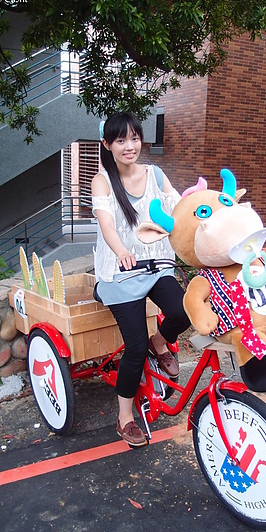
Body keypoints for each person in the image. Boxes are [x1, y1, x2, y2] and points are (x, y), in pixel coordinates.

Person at [91, 112, 190, 447]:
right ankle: (125, 417)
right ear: (107, 144)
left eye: (134, 138)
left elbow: (180, 208)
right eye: (120, 140)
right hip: (120, 274)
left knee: (184, 311)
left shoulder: (155, 174)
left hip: (156, 265)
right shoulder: (103, 181)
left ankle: (159, 342)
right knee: (133, 349)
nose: (129, 146)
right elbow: (107, 225)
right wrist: (121, 251)